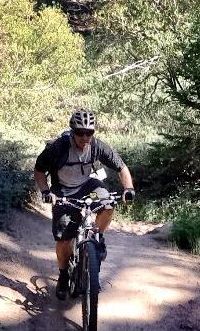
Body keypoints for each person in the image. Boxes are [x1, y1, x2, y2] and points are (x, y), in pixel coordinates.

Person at [34, 109, 135, 300]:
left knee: (107, 203)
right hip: (62, 190)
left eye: (89, 132)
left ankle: (98, 237)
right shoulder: (59, 147)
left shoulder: (97, 146)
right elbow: (39, 170)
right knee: (64, 239)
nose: (84, 137)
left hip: (87, 185)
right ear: (72, 131)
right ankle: (64, 275)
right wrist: (46, 192)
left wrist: (128, 188)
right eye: (80, 132)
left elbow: (121, 167)